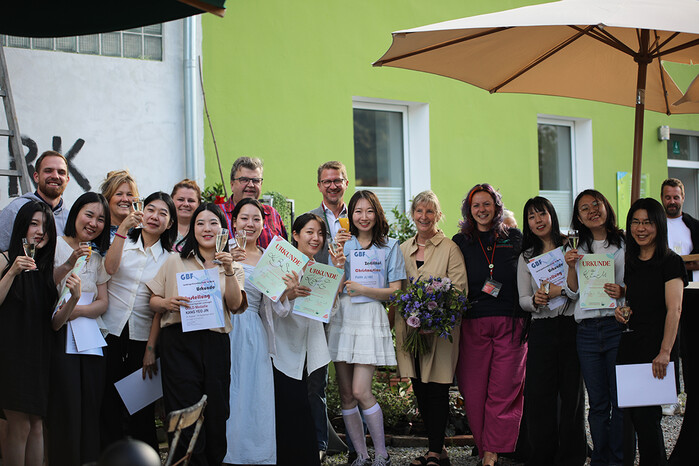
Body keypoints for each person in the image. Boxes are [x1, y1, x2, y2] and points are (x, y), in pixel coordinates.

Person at [147, 203, 246, 465]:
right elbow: (153, 301)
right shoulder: (175, 260)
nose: (206, 228)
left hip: (215, 344)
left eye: (213, 223)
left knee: (217, 411)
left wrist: (228, 270)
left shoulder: (233, 266)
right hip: (179, 342)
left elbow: (235, 305)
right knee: (183, 412)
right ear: (192, 229)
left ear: (223, 229)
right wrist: (167, 303)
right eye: (200, 223)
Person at [326, 190, 404, 466]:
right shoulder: (342, 245)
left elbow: (396, 292)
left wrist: (364, 290)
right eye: (357, 211)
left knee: (361, 390)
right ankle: (361, 455)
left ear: (377, 213)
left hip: (370, 317)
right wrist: (337, 261)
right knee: (347, 394)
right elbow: (333, 289)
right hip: (344, 317)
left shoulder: (390, 246)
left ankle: (382, 453)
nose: (363, 216)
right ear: (350, 216)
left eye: (369, 210)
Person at [0, 201, 81, 466]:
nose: (40, 231)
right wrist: (12, 271)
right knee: (20, 425)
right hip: (10, 355)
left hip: (39, 357)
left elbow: (55, 324)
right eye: (34, 224)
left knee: (36, 426)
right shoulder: (4, 259)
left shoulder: (44, 271)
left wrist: (73, 299)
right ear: (21, 226)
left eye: (45, 226)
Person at [452, 183, 527, 466]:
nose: (482, 210)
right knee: (473, 392)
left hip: (511, 322)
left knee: (504, 390)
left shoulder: (514, 237)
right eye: (476, 205)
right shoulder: (460, 241)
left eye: (487, 204)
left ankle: (492, 453)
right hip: (473, 323)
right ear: (469, 210)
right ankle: (485, 448)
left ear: (497, 207)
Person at [100, 192, 177, 452]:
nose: (155, 217)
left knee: (139, 411)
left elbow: (159, 309)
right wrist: (123, 229)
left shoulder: (170, 258)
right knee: (108, 404)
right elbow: (109, 269)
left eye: (163, 213)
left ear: (170, 223)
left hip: (143, 336)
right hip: (109, 331)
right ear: (141, 211)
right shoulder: (121, 242)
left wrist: (150, 350)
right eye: (151, 209)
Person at [397, 190, 466, 466]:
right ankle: (438, 450)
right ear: (412, 214)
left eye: (429, 211)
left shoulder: (450, 248)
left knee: (437, 389)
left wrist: (432, 318)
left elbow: (459, 290)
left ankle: (435, 453)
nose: (424, 216)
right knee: (419, 389)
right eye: (419, 211)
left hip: (440, 331)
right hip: (410, 331)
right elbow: (397, 289)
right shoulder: (403, 249)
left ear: (438, 215)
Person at [516, 196, 587, 466]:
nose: (538, 220)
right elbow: (523, 299)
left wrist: (562, 289)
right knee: (539, 395)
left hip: (570, 326)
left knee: (572, 396)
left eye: (542, 214)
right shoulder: (526, 257)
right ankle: (541, 456)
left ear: (552, 215)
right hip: (542, 329)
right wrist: (535, 301)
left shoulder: (571, 247)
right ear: (527, 223)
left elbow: (579, 291)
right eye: (532, 217)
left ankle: (571, 457)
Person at [616, 198, 685, 465]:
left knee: (648, 419)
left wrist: (665, 352)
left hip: (656, 348)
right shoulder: (632, 260)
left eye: (647, 222)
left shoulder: (670, 262)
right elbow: (636, 302)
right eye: (635, 222)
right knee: (635, 416)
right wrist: (623, 312)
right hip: (632, 344)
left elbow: (674, 310)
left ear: (659, 225)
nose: (640, 228)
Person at [48, 192, 112, 466]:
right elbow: (45, 286)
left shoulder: (97, 258)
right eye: (89, 215)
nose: (93, 223)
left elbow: (103, 302)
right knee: (66, 404)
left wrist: (77, 311)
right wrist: (68, 264)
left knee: (91, 403)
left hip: (91, 339)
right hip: (60, 336)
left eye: (101, 219)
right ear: (75, 214)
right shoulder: (55, 246)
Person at [263, 213, 332, 466]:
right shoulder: (281, 262)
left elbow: (328, 313)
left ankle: (313, 454)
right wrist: (288, 295)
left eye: (320, 233)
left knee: (312, 404)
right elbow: (268, 309)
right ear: (295, 235)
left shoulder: (321, 271)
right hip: (284, 348)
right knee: (290, 408)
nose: (316, 238)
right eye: (309, 232)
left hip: (312, 347)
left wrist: (334, 285)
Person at [564, 189, 626, 466]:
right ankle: (600, 459)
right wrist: (571, 267)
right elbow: (572, 293)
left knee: (620, 400)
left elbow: (638, 281)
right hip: (587, 331)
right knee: (598, 403)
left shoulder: (624, 243)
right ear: (578, 218)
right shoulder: (575, 247)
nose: (592, 211)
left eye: (596, 204)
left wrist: (622, 290)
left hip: (616, 327)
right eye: (584, 208)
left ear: (606, 206)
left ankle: (619, 459)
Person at [223, 198, 276, 465]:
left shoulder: (270, 258)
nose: (250, 224)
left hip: (254, 329)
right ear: (234, 222)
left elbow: (275, 304)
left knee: (255, 392)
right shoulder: (222, 250)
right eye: (244, 218)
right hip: (225, 327)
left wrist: (288, 291)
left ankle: (256, 454)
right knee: (228, 389)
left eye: (256, 219)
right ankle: (226, 452)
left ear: (263, 224)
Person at [307, 160, 352, 461]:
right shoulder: (311, 219)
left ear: (346, 183)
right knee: (317, 378)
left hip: (355, 303)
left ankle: (358, 447)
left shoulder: (361, 215)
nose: (333, 185)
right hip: (321, 305)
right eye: (327, 181)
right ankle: (320, 444)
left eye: (338, 180)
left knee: (354, 383)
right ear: (319, 185)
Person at [0, 150, 71, 250]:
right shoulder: (16, 209)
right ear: (36, 177)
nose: (55, 176)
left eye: (61, 172)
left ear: (67, 180)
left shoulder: (70, 218)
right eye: (48, 171)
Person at [222, 156, 288, 248]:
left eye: (256, 180)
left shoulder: (272, 214)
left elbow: (285, 251)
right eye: (244, 180)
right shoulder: (217, 214)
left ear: (261, 184)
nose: (251, 185)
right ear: (232, 185)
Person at [100, 169, 140, 243]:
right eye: (119, 194)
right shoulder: (97, 232)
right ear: (107, 199)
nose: (125, 199)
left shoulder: (142, 232)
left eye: (129, 194)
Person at [171, 179, 202, 251]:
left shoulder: (204, 230)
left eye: (191, 201)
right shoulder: (163, 229)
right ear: (171, 201)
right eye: (181, 200)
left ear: (198, 204)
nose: (186, 204)